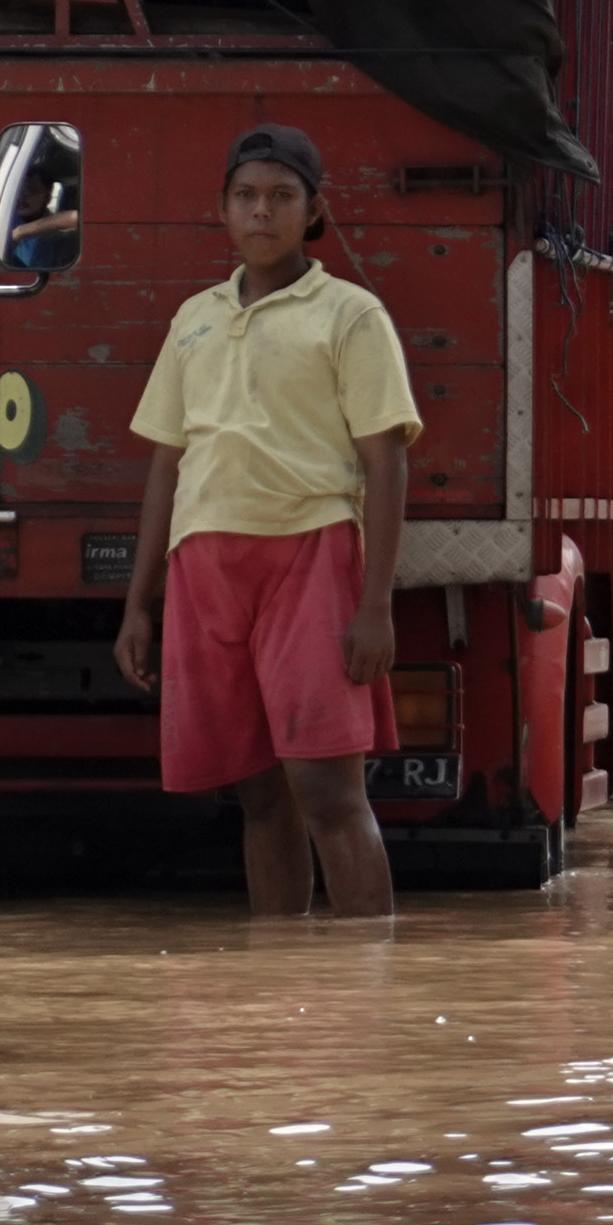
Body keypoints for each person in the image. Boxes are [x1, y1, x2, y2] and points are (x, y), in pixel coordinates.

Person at [113, 125, 422, 919]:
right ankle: (281, 974)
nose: (262, 211)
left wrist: (376, 604)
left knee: (328, 790)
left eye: (282, 196)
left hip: (309, 556)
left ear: (313, 211)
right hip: (204, 570)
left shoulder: (351, 314)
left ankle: (372, 978)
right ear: (222, 208)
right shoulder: (194, 319)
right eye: (246, 195)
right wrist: (138, 604)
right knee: (256, 793)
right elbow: (167, 466)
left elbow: (386, 462)